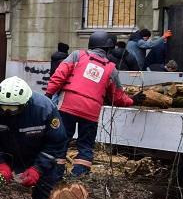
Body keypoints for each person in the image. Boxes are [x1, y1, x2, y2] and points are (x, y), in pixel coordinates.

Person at [45, 30, 136, 177]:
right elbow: (117, 97)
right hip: (91, 112)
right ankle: (78, 177)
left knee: (61, 141)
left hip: (67, 106)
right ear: (109, 49)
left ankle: (55, 176)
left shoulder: (77, 55)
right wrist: (133, 100)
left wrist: (49, 94)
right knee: (85, 146)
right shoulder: (111, 69)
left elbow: (59, 76)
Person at [0, 77, 68, 199]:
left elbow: (57, 142)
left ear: (25, 103)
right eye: (4, 107)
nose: (8, 112)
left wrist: (38, 168)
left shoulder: (44, 109)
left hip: (39, 154)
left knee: (46, 195)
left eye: (13, 109)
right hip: (7, 153)